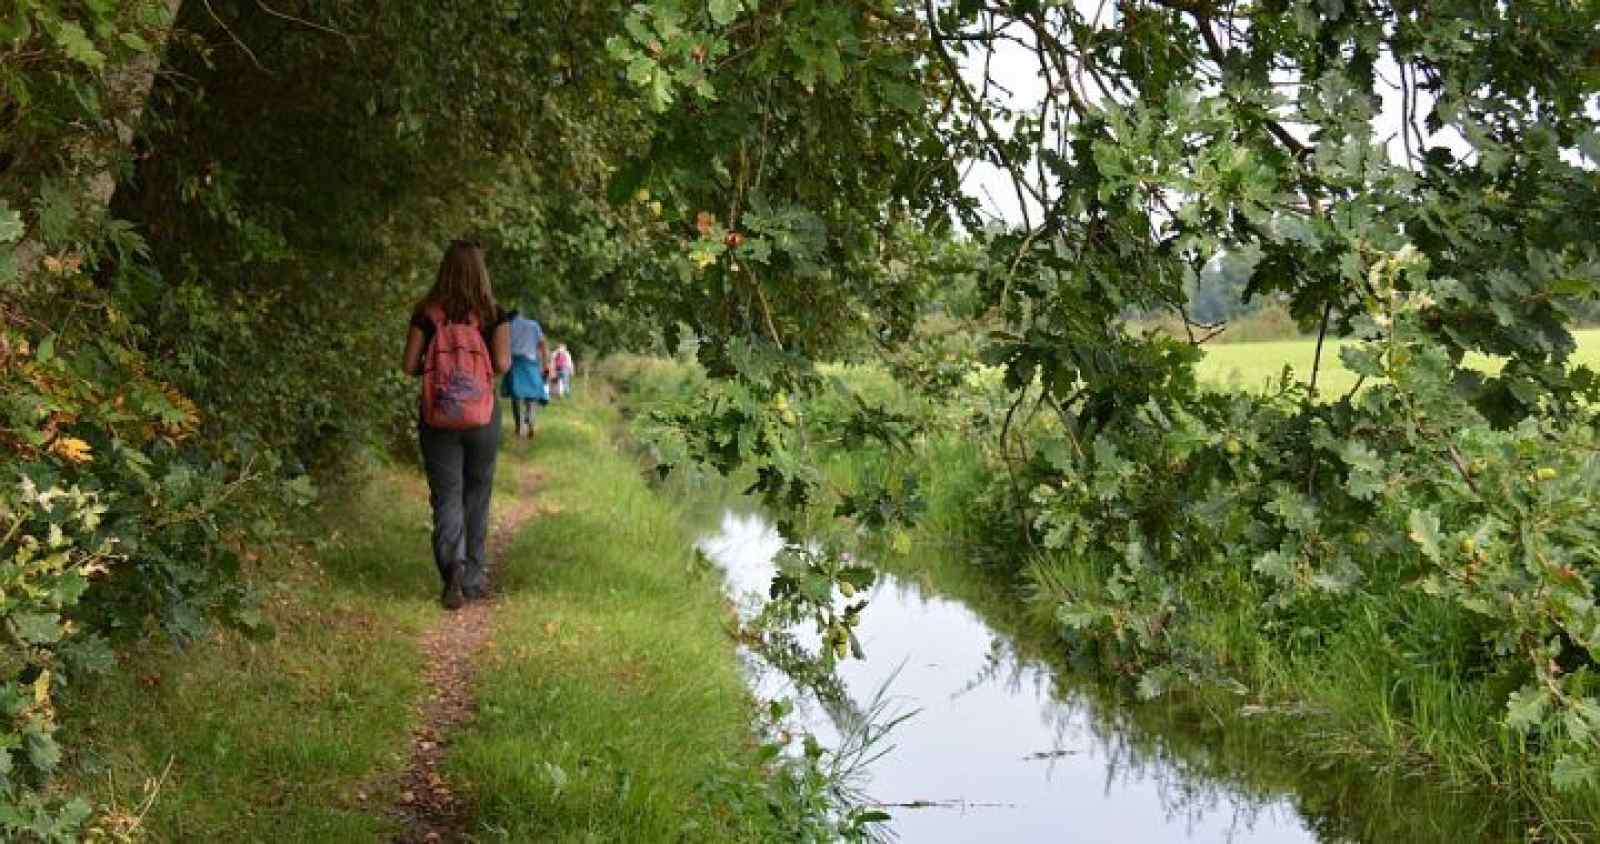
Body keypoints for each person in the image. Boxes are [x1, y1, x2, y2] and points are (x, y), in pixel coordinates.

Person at [401, 239, 511, 609]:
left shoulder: (426, 313)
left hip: (438, 415)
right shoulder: (494, 314)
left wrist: (437, 368)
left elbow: (408, 365)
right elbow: (502, 364)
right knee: (477, 493)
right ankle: (474, 578)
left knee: (446, 494)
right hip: (481, 415)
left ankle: (452, 568)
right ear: (481, 272)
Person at [501, 308, 549, 436]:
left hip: (514, 363)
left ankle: (519, 426)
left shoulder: (508, 326)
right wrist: (545, 365)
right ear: (520, 315)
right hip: (531, 362)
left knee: (516, 396)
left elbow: (504, 347)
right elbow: (542, 344)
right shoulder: (534, 325)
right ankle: (531, 421)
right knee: (532, 394)